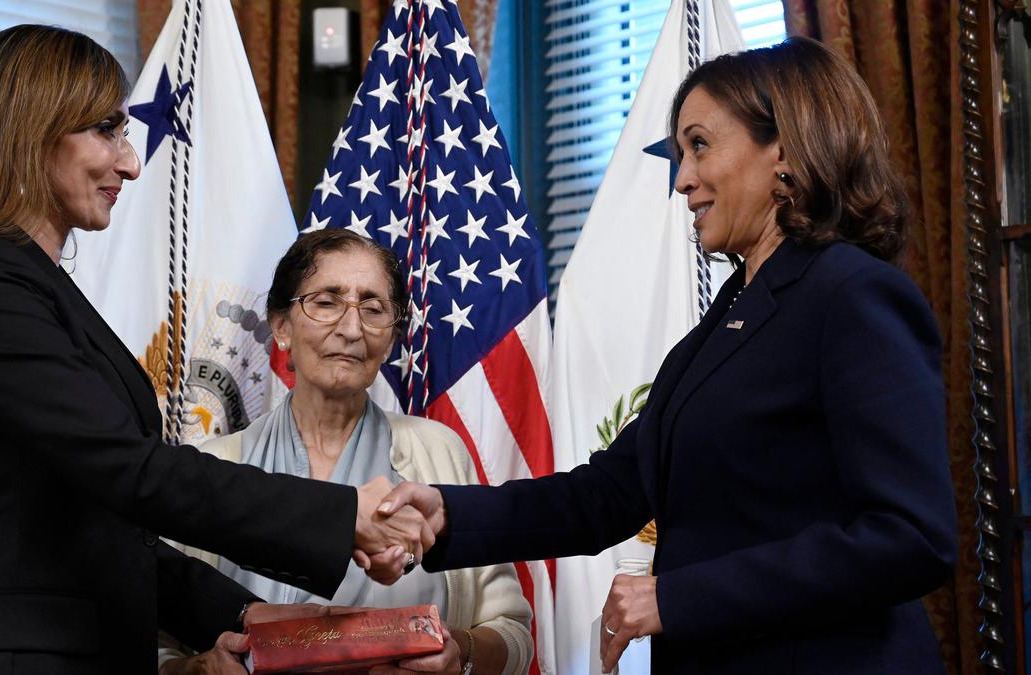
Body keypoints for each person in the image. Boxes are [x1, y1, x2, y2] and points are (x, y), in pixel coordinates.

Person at [374, 37, 957, 675]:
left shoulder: (853, 295)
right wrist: (447, 511)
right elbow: (606, 494)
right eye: (681, 154)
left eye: (699, 145)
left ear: (784, 151)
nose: (681, 180)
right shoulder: (724, 324)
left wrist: (678, 597)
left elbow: (911, 538)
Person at [0, 25, 425, 674]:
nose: (131, 162)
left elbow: (93, 525)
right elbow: (131, 471)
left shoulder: (24, 284)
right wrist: (340, 513)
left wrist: (238, 613)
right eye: (108, 131)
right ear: (31, 130)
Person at [163, 229, 533, 675]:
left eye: (373, 309)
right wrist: (202, 668)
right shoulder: (214, 465)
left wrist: (460, 652)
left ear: (392, 338)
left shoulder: (438, 452)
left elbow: (513, 631)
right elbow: (150, 638)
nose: (352, 328)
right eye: (326, 302)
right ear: (281, 326)